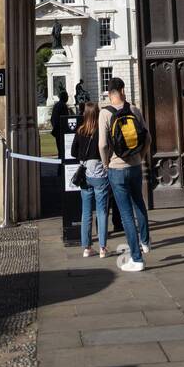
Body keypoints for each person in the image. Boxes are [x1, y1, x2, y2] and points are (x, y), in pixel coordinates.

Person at [99, 78, 151, 272]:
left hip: (116, 168)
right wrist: (140, 157)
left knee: (126, 214)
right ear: (122, 90)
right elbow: (148, 138)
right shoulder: (134, 109)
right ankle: (145, 242)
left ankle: (136, 259)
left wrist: (106, 163)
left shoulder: (105, 113)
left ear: (109, 93)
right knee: (139, 203)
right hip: (135, 165)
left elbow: (103, 145)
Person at [70, 101, 109, 258]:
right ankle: (102, 247)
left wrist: (82, 156)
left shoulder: (80, 130)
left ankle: (86, 247)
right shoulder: (101, 130)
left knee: (86, 212)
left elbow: (73, 152)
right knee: (102, 211)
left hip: (86, 175)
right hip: (99, 174)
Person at [49, 87, 71, 153]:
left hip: (57, 130)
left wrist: (54, 127)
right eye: (67, 96)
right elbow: (66, 119)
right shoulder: (63, 106)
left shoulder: (56, 105)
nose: (67, 98)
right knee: (63, 150)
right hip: (61, 130)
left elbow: (52, 119)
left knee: (60, 149)